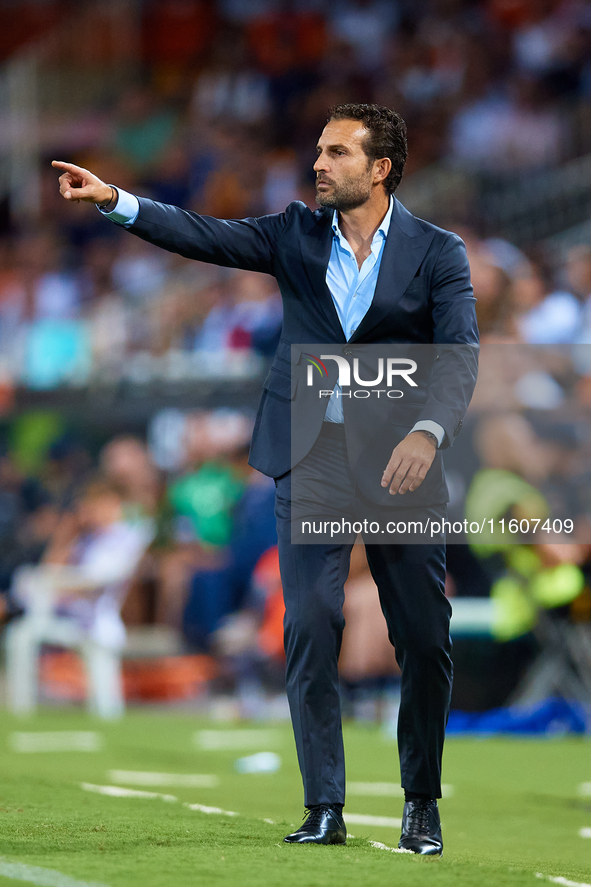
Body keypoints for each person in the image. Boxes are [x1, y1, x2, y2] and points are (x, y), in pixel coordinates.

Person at [52, 102, 479, 855]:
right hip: (309, 452)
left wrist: (426, 430)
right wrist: (115, 200)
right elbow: (205, 235)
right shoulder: (292, 233)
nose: (319, 163)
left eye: (338, 153)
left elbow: (460, 356)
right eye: (318, 150)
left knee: (421, 632)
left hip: (400, 462)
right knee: (309, 624)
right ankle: (324, 805)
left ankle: (421, 801)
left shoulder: (438, 252)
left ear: (380, 169)